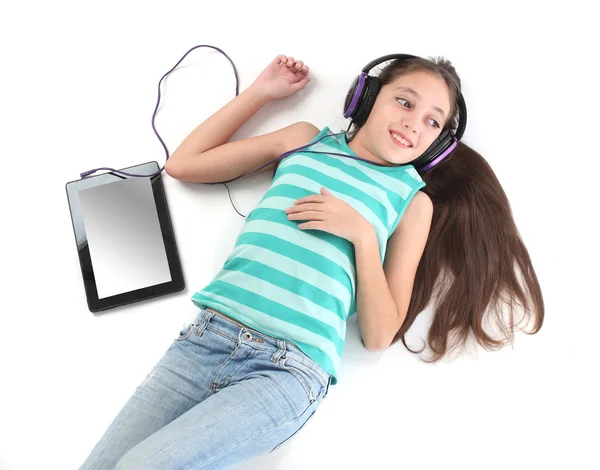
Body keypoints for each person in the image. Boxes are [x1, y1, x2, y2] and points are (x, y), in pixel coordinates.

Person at [79, 53, 544, 469]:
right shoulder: (305, 141)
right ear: (366, 97)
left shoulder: (411, 202)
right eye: (405, 102)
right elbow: (185, 163)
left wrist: (362, 235)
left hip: (288, 370)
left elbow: (380, 334)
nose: (413, 124)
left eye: (432, 122)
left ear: (439, 143)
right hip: (205, 339)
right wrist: (262, 93)